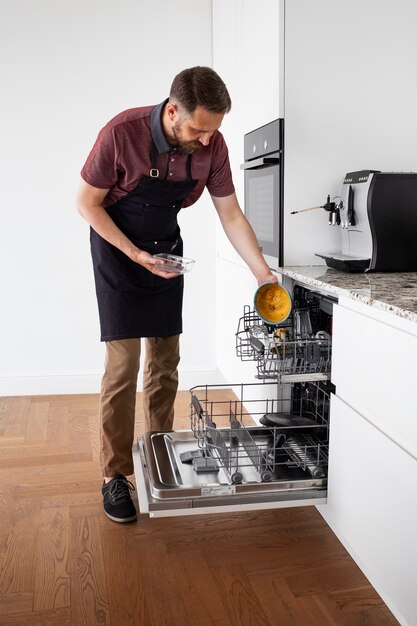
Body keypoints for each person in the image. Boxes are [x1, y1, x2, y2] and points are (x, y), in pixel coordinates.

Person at [76, 66, 277, 523]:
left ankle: (159, 452)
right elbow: (86, 202)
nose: (206, 141)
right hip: (117, 251)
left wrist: (263, 274)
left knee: (166, 361)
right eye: (199, 130)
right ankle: (115, 476)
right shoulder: (121, 133)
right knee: (123, 366)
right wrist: (133, 253)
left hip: (165, 252)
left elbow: (230, 215)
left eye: (214, 132)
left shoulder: (213, 145)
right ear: (172, 112)